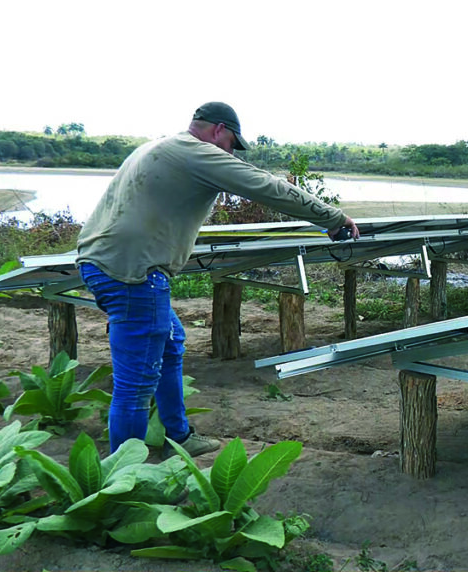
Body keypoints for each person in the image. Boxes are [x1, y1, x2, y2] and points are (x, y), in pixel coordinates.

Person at [76, 101, 360, 457]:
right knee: (135, 385)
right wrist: (333, 218)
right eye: (232, 145)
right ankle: (124, 478)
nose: (231, 154)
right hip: (133, 274)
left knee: (171, 342)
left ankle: (178, 436)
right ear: (219, 130)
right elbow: (268, 187)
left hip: (103, 263)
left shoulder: (162, 146)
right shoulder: (198, 153)